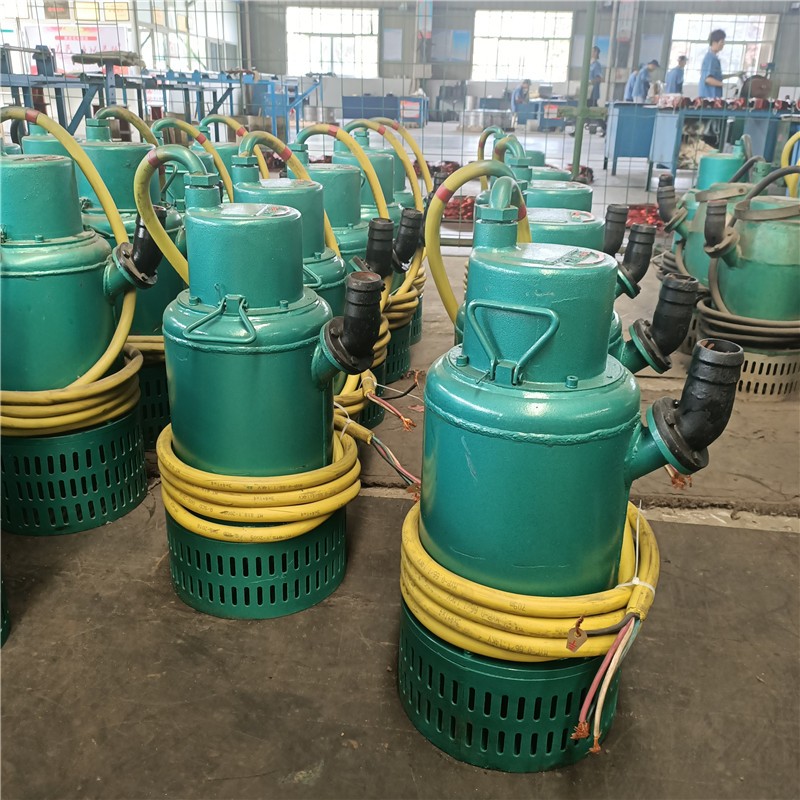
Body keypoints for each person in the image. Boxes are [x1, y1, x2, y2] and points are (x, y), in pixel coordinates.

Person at [699, 29, 734, 98]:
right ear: (714, 42)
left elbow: (717, 77)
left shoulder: (713, 57)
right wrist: (725, 85)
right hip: (709, 97)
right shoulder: (710, 58)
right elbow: (708, 80)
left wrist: (734, 75)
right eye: (722, 42)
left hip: (712, 96)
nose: (723, 44)